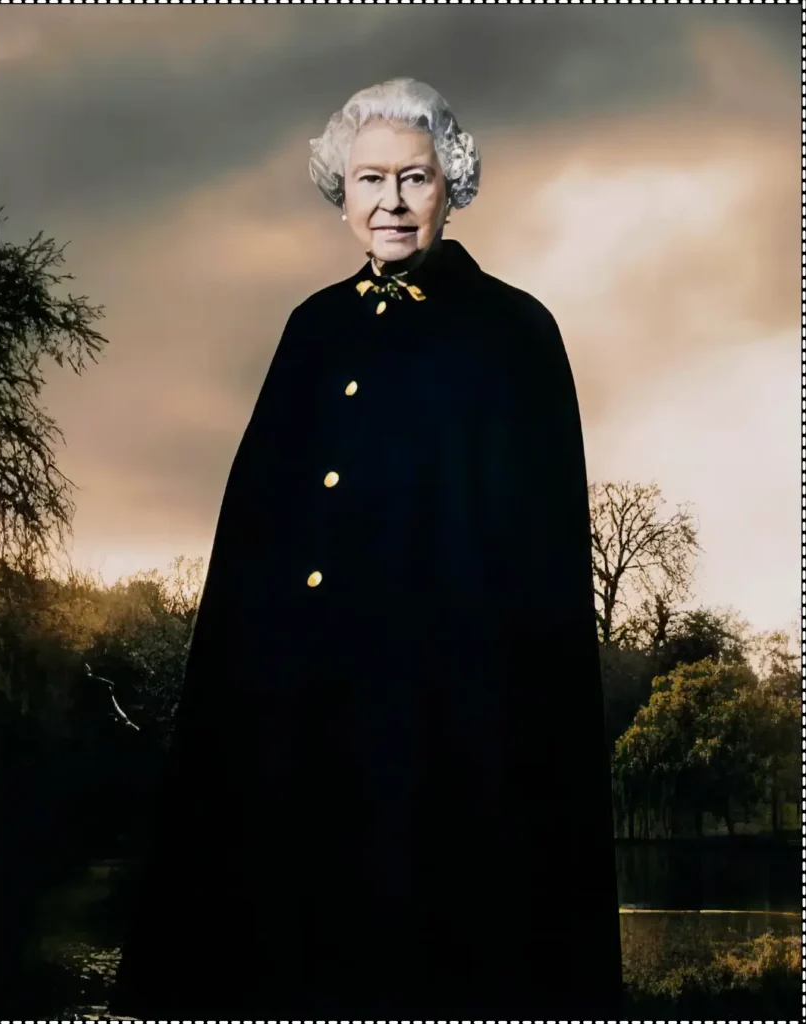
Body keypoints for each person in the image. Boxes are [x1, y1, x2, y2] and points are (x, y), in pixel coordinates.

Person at [111, 77, 623, 1019]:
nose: (389, 202)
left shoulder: (511, 331)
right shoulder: (311, 327)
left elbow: (529, 561)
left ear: (451, 184)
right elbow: (258, 531)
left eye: (414, 178)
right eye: (368, 179)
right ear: (339, 191)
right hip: (296, 701)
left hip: (438, 707)